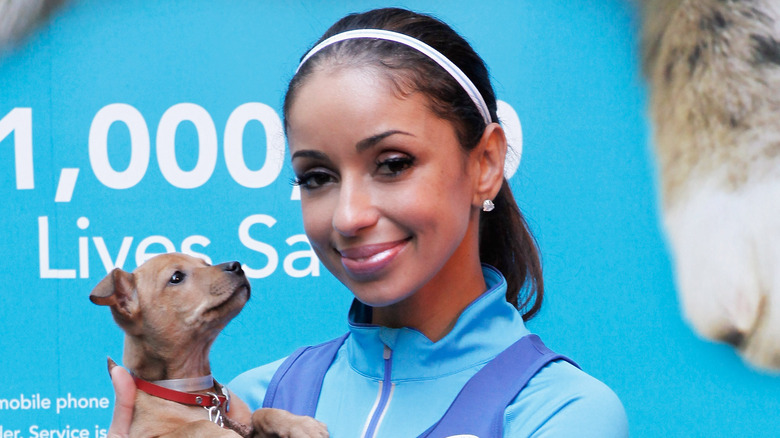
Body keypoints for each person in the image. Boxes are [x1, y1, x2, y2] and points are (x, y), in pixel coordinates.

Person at [108, 7, 628, 437]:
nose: (349, 216)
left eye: (393, 164)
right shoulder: (254, 401)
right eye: (316, 177)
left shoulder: (559, 413)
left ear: (486, 164)